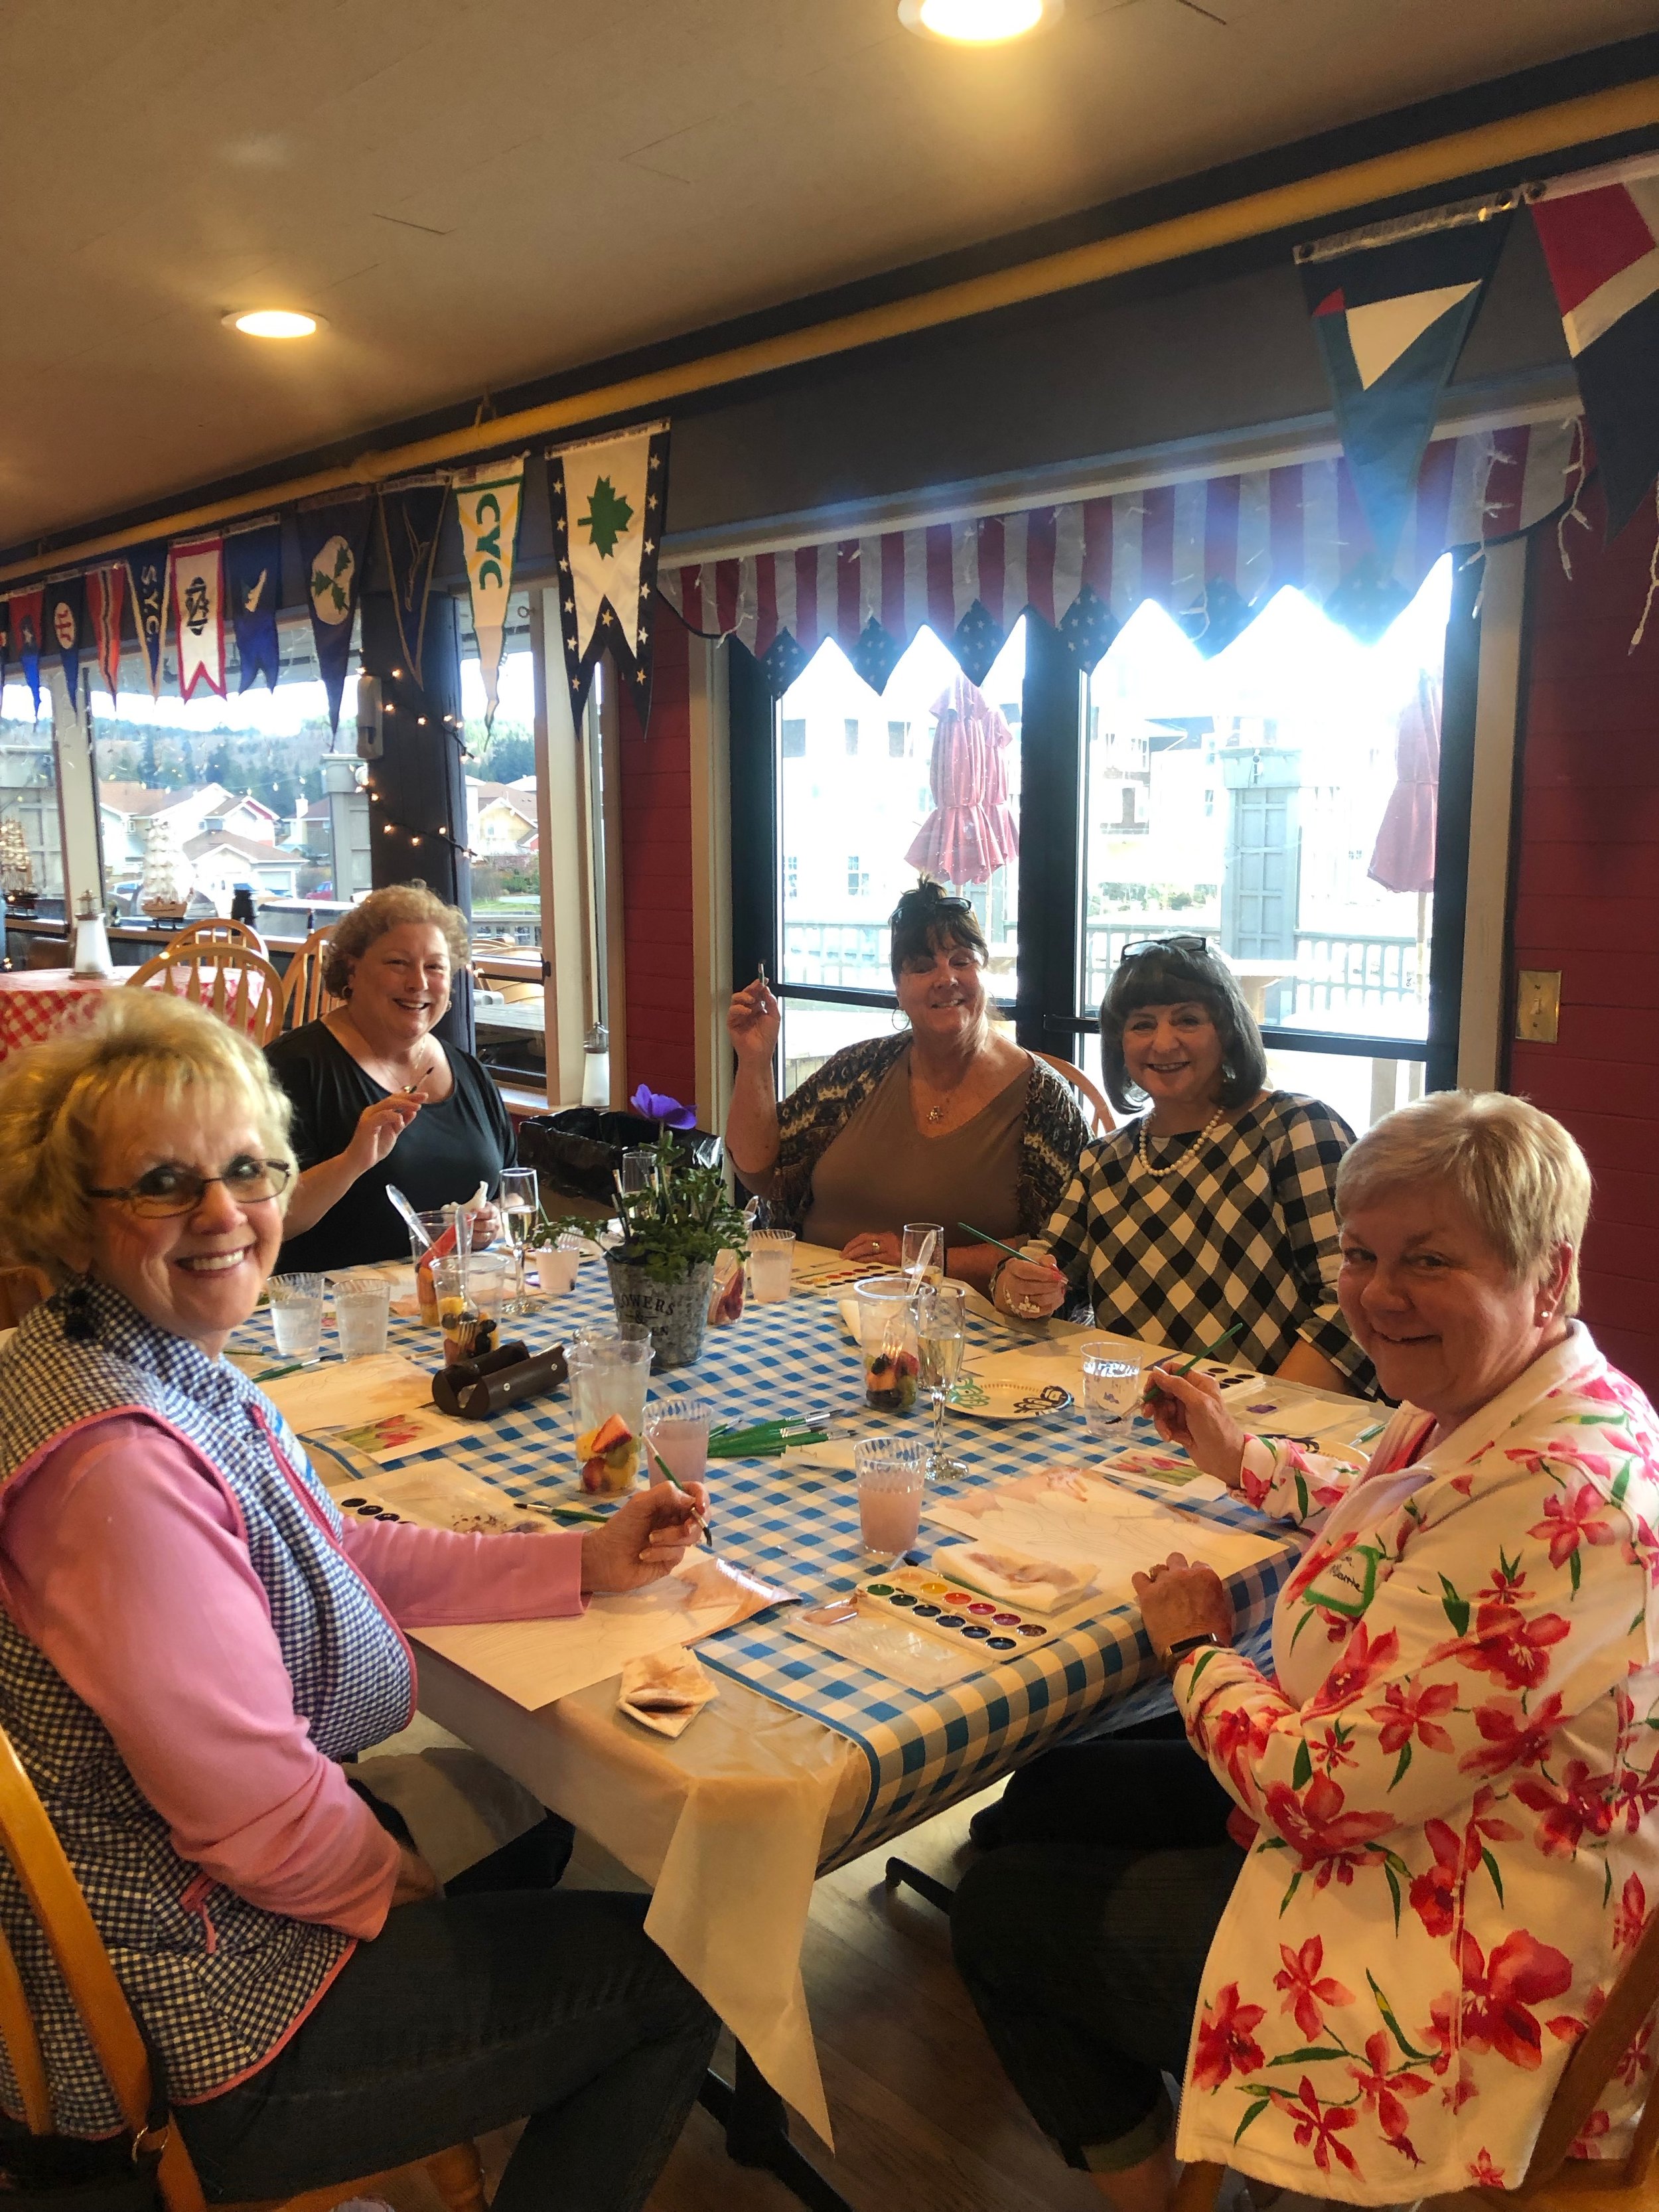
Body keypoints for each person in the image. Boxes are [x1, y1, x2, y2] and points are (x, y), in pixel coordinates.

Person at [0, 992, 717, 2208]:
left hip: (186, 1893)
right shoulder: (115, 1470)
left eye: (247, 1168)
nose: (224, 1212)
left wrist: (579, 1564)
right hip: (196, 2007)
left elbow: (333, 1548)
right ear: (74, 1218)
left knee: (535, 1818)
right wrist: (391, 1879)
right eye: (165, 1184)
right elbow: (256, 1819)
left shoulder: (127, 1356)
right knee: (676, 1981)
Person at [952, 1091, 1659, 2207]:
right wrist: (1245, 1457)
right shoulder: (1515, 1396)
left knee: (999, 1910)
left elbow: (1317, 1793)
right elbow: (1411, 1513)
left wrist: (1197, 1654)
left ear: (1550, 1271)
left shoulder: (1563, 1498)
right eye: (1361, 1254)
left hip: (1472, 1969)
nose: (1378, 1293)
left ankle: (1182, 2181)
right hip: (1438, 1815)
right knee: (1047, 1789)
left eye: (1428, 1260)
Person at [992, 936, 1368, 1390]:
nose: (1164, 1043)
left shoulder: (1295, 1129)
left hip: (1270, 1420)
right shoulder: (1105, 1160)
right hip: (1134, 1413)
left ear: (1228, 1031)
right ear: (1119, 1044)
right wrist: (1018, 1284)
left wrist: (1255, 1414)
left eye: (1188, 1020)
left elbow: (1352, 1301)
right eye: (1142, 1025)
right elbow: (1043, 1269)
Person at [725, 883, 1088, 1293]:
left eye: (961, 960)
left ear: (984, 973)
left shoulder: (1044, 1102)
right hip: (808, 1301)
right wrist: (754, 1060)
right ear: (898, 988)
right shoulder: (856, 1071)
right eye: (922, 966)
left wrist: (923, 1258)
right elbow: (761, 1175)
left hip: (952, 1321)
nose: (946, 978)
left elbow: (1066, 1251)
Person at [267, 884, 514, 1272]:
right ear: (352, 970)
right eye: (398, 963)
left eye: (435, 967)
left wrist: (494, 1223)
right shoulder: (292, 1069)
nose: (418, 983)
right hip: (338, 1301)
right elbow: (265, 1220)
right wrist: (352, 1162)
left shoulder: (470, 1072)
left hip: (451, 1295)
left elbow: (513, 1190)